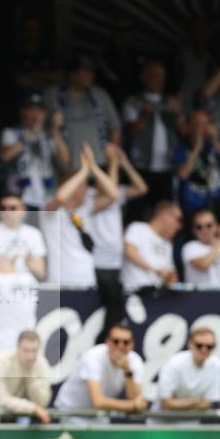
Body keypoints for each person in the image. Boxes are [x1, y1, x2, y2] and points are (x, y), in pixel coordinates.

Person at [42, 142, 120, 288]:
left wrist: (93, 167)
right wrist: (84, 170)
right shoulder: (50, 210)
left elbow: (114, 195)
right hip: (59, 280)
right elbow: (60, 197)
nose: (87, 189)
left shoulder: (85, 208)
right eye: (83, 185)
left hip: (86, 278)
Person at [92, 143, 148, 335]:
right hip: (98, 262)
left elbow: (142, 188)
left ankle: (108, 338)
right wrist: (114, 162)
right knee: (99, 307)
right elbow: (112, 193)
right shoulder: (90, 197)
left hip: (116, 262)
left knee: (114, 308)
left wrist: (125, 163)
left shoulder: (117, 193)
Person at [122, 59, 184, 220]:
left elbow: (184, 132)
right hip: (141, 165)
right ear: (144, 77)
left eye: (162, 76)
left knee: (164, 212)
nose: (159, 80)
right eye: (155, 75)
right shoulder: (133, 101)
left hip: (167, 166)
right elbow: (130, 133)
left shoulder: (170, 101)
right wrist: (144, 115)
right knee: (136, 212)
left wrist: (177, 114)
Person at [54, 323, 147, 424]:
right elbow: (98, 402)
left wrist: (128, 371)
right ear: (107, 342)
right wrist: (133, 406)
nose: (120, 346)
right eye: (116, 341)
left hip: (100, 415)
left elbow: (135, 398)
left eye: (126, 342)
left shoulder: (135, 361)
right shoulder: (93, 357)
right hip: (72, 412)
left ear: (132, 345)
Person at [44, 55, 122, 169]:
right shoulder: (52, 95)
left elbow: (115, 128)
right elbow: (41, 129)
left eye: (91, 72)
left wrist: (112, 160)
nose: (91, 75)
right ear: (72, 74)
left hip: (99, 166)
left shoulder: (100, 95)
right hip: (65, 169)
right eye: (85, 72)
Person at [0, 94, 69, 212]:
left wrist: (56, 130)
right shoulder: (11, 132)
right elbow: (5, 156)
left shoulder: (49, 135)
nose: (35, 114)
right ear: (22, 111)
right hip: (20, 197)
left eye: (39, 110)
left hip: (47, 196)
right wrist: (32, 133)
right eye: (31, 109)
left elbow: (65, 160)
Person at [0, 330, 52, 424]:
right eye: (26, 350)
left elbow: (42, 402)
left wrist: (31, 374)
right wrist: (32, 408)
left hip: (9, 416)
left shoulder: (41, 363)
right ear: (17, 348)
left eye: (34, 351)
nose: (30, 356)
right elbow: (1, 400)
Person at [174, 109, 220, 217]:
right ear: (189, 126)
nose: (203, 128)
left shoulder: (215, 144)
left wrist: (215, 141)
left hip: (217, 202)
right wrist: (197, 147)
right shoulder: (182, 148)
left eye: (207, 123)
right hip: (194, 205)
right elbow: (183, 174)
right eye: (198, 124)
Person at [149, 327, 220, 418]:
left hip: (191, 422)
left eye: (209, 346)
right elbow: (165, 403)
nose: (204, 350)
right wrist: (196, 401)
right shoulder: (174, 364)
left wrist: (177, 403)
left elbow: (208, 403)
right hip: (162, 422)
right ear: (190, 344)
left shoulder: (216, 365)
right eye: (199, 345)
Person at [121, 200, 182, 291]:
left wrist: (170, 278)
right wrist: (156, 270)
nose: (179, 225)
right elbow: (129, 251)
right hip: (135, 292)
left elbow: (169, 274)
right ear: (165, 215)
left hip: (158, 295)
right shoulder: (138, 228)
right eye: (177, 219)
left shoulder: (167, 244)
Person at [0, 193, 46, 279]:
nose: (7, 212)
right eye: (3, 208)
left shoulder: (34, 234)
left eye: (13, 208)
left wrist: (29, 264)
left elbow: (41, 272)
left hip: (24, 283)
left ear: (23, 210)